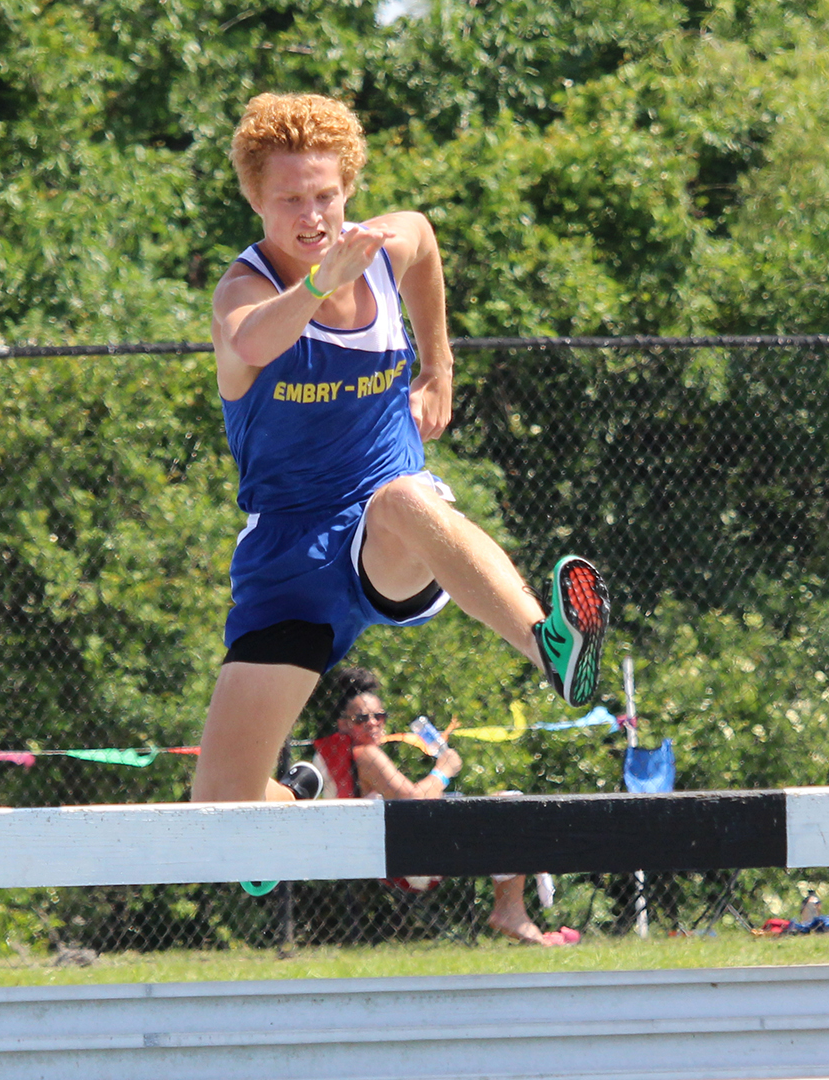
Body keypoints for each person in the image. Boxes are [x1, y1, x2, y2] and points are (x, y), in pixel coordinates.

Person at [190, 91, 610, 807]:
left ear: (348, 188)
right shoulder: (241, 291)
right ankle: (299, 800)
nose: (312, 217)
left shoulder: (384, 248)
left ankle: (550, 646)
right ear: (255, 200)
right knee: (222, 804)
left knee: (405, 497)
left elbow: (425, 242)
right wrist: (321, 283)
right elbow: (252, 343)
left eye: (325, 196)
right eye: (290, 200)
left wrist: (438, 365)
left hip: (381, 535)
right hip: (287, 561)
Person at [309, 667, 578, 946]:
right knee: (508, 809)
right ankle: (511, 913)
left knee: (504, 804)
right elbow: (414, 801)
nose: (373, 723)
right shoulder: (365, 754)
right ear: (343, 724)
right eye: (361, 718)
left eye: (379, 716)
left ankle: (513, 913)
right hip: (409, 857)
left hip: (395, 852)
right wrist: (443, 770)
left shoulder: (344, 754)